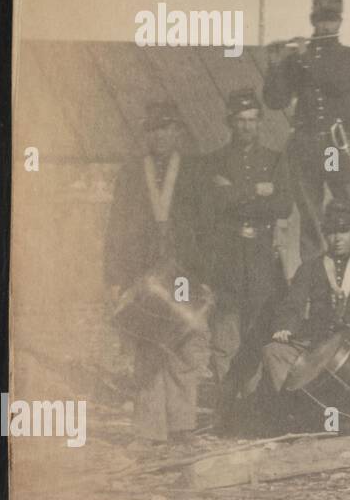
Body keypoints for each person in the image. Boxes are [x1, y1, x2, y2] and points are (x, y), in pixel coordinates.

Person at [103, 100, 209, 443]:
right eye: (154, 130)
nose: (160, 135)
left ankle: (181, 424)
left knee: (185, 340)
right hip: (144, 271)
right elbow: (116, 225)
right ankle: (149, 428)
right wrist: (115, 277)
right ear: (146, 134)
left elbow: (207, 226)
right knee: (148, 343)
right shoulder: (133, 173)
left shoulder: (193, 171)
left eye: (167, 128)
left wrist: (205, 273)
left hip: (182, 272)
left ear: (178, 131)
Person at [243, 202, 350, 434]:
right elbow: (293, 303)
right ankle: (303, 417)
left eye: (343, 232)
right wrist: (285, 326)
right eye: (330, 233)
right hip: (318, 342)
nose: (336, 238)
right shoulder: (311, 267)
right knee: (274, 352)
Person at [201, 89, 293, 422]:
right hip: (227, 259)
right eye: (240, 120)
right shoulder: (215, 160)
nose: (247, 127)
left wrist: (235, 193)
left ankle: (253, 409)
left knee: (256, 335)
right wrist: (257, 191)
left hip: (260, 260)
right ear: (230, 122)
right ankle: (226, 409)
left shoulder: (274, 159)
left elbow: (284, 204)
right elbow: (216, 203)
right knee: (225, 339)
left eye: (253, 120)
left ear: (260, 122)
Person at [263, 0, 350, 259]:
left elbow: (338, 83)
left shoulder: (349, 55)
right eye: (321, 19)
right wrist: (276, 66)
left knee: (347, 206)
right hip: (306, 149)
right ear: (312, 20)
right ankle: (313, 278)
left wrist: (304, 58)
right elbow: (275, 101)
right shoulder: (297, 57)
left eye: (331, 19)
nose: (326, 25)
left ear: (340, 21)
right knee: (310, 215)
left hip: (333, 150)